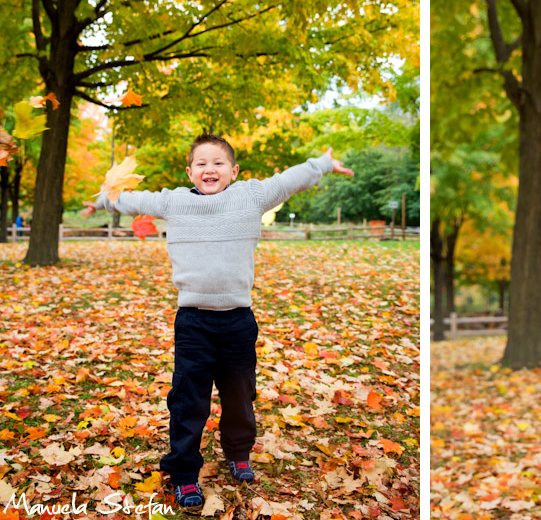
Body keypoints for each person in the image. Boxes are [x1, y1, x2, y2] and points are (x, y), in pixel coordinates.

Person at [82, 133, 353, 511]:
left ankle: (238, 452)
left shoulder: (250, 196)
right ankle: (184, 474)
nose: (210, 169)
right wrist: (101, 200)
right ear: (190, 171)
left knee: (240, 396)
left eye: (219, 163)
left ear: (234, 170)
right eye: (202, 164)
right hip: (193, 322)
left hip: (238, 321)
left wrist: (321, 164)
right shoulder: (174, 202)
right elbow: (130, 199)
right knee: (189, 400)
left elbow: (288, 180)